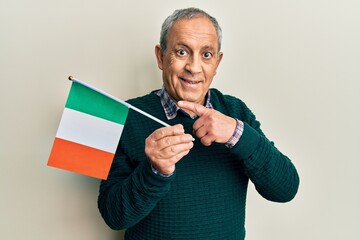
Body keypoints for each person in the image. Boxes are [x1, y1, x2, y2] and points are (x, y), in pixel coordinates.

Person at [98, 7, 299, 240]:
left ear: (217, 62)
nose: (194, 68)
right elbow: (113, 216)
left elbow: (285, 189)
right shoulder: (126, 116)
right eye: (182, 52)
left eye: (206, 55)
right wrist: (154, 171)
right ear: (161, 57)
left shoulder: (236, 112)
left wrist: (238, 135)